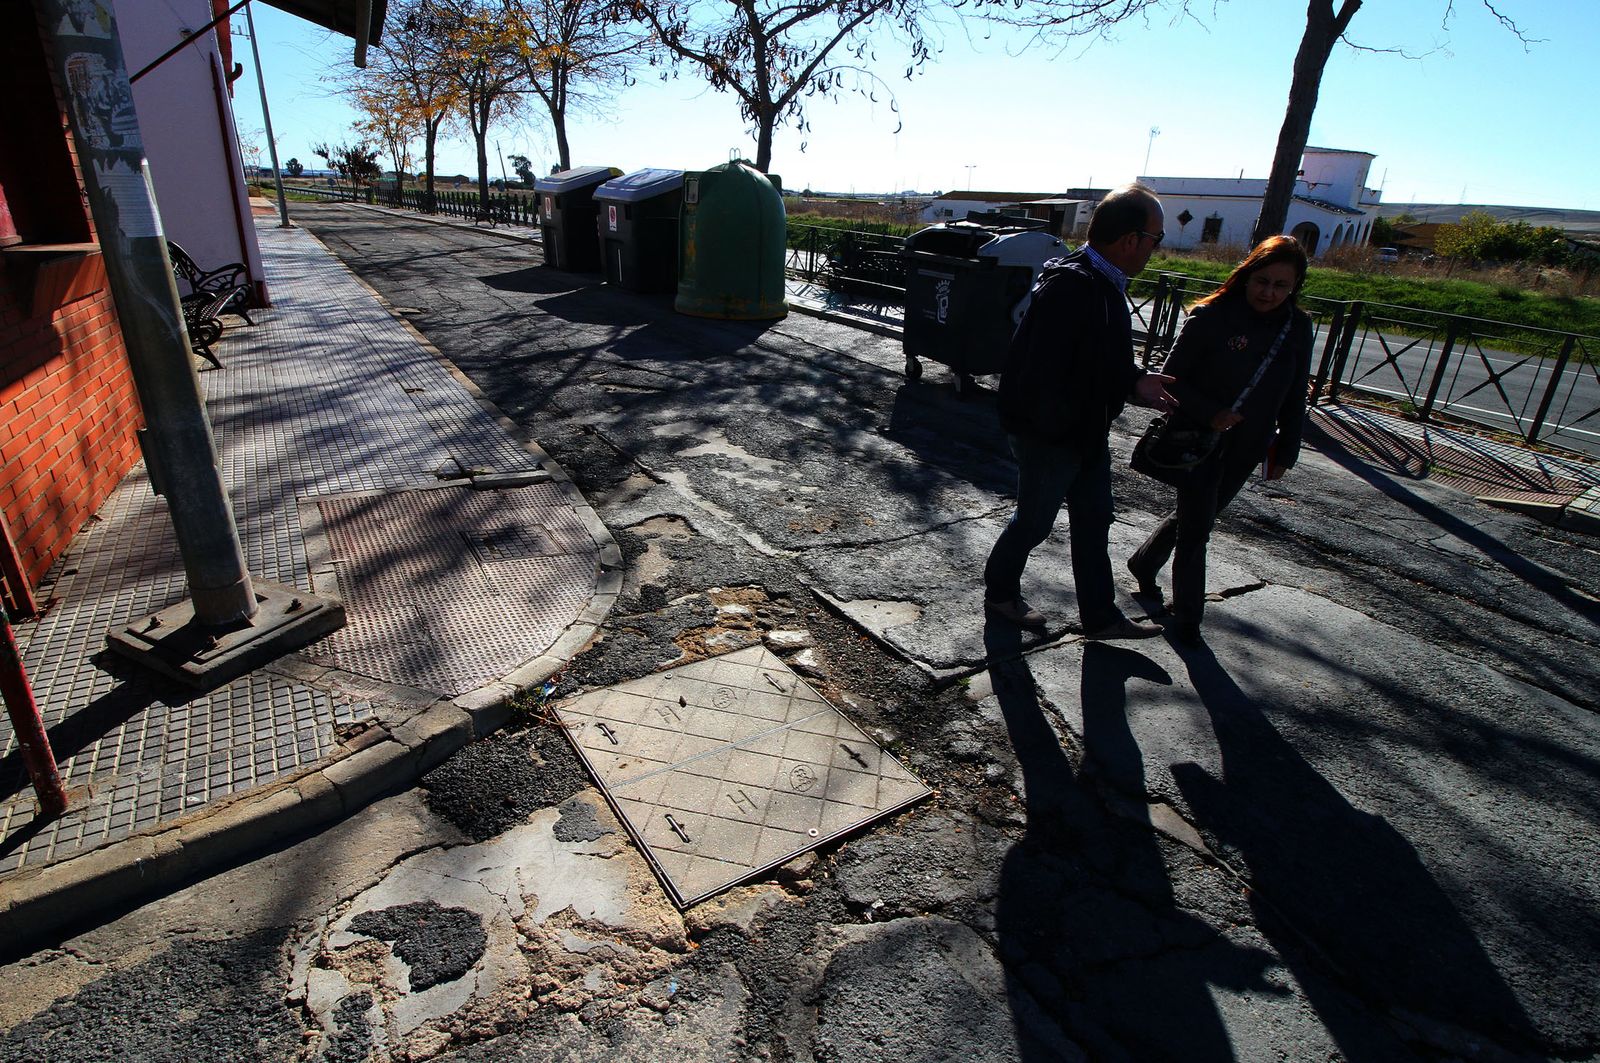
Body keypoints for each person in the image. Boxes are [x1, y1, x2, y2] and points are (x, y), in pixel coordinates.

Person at [984, 184, 1178, 639]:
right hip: (1054, 434)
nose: (1155, 248)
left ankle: (1101, 616)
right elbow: (1048, 370)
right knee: (1033, 522)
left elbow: (1097, 359)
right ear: (1131, 239)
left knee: (1094, 522)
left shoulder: (1100, 282)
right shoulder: (1075, 286)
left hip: (1083, 430)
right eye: (1156, 238)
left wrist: (1132, 381)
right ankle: (1000, 594)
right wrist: (1126, 385)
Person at [1126, 235, 1315, 645]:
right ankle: (1189, 619)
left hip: (1248, 445)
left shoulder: (1297, 327)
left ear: (1294, 287)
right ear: (1247, 274)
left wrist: (1287, 447)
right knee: (1197, 530)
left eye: (1282, 286)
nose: (1269, 293)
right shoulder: (1210, 317)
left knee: (1201, 517)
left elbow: (1296, 391)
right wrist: (1212, 412)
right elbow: (1170, 382)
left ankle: (1144, 562)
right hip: (1199, 438)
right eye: (1262, 281)